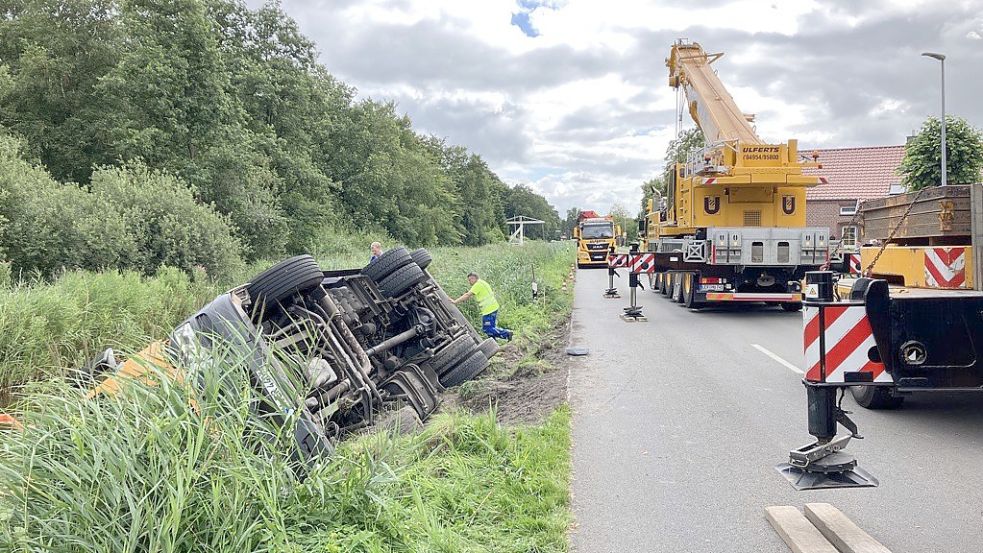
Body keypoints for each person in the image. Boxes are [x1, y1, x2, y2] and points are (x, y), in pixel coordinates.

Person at [453, 272, 513, 341]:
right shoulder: (482, 282)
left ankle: (507, 333)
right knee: (490, 328)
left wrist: (455, 301)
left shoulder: (477, 285)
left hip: (489, 310)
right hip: (492, 308)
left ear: (474, 278)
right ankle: (493, 342)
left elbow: (467, 295)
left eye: (470, 280)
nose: (469, 282)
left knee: (487, 329)